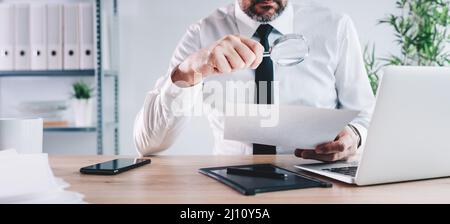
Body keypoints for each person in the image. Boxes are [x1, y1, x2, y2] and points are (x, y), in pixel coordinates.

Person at [133, 0, 375, 161]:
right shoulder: (201, 34)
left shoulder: (335, 27)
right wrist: (188, 71)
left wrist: (355, 135)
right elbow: (148, 144)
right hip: (230, 187)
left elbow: (365, 114)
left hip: (318, 182)